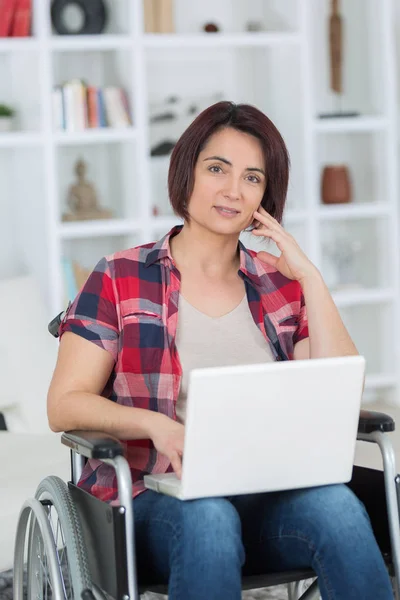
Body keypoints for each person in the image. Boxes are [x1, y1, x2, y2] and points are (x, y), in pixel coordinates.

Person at [48, 101, 393, 599]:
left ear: (265, 198)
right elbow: (64, 404)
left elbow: (341, 388)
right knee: (208, 516)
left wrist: (311, 279)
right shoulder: (119, 277)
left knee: (337, 507)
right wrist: (155, 426)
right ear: (185, 170)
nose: (233, 190)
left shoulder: (280, 286)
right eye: (217, 169)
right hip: (150, 496)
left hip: (262, 493)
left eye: (252, 178)